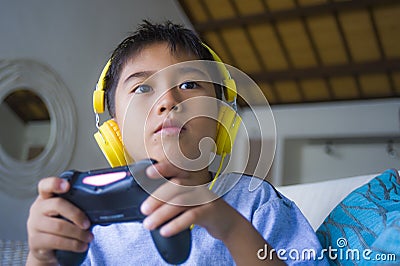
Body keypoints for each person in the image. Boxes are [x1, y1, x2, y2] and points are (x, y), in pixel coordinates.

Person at [26, 20, 327, 265]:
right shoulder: (88, 224)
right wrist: (40, 257)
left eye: (189, 84)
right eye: (142, 87)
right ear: (114, 132)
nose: (167, 101)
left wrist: (232, 228)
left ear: (221, 119)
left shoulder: (255, 202)